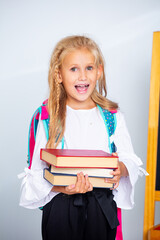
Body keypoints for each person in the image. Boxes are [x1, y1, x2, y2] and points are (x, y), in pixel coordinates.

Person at [19, 36, 145, 240]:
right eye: (73, 69)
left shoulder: (112, 116)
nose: (82, 76)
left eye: (89, 68)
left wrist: (120, 169)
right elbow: (36, 172)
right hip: (61, 207)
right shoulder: (46, 116)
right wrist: (63, 187)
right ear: (58, 75)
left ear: (99, 71)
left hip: (101, 206)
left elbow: (129, 158)